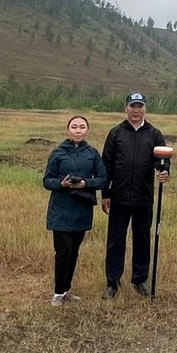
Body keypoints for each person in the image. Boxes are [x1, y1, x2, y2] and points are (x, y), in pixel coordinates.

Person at [100, 92, 168, 298]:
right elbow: (106, 165)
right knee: (115, 241)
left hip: (143, 197)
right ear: (126, 108)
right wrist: (105, 193)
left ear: (144, 109)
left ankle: (139, 280)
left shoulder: (154, 134)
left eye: (139, 106)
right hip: (119, 197)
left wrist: (164, 170)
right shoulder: (116, 133)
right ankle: (113, 282)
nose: (136, 110)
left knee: (142, 240)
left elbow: (163, 161)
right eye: (132, 106)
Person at [42, 115, 107, 307]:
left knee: (74, 251)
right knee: (63, 250)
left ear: (87, 130)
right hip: (61, 208)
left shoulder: (92, 153)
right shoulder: (58, 152)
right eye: (74, 127)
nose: (78, 130)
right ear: (68, 130)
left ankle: (67, 290)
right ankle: (58, 292)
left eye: (82, 127)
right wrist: (61, 184)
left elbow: (102, 178)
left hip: (82, 207)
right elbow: (47, 180)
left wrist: (87, 183)